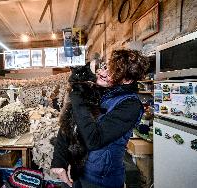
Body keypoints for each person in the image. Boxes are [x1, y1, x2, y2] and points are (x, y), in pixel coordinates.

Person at [51, 49, 149, 188]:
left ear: (126, 80)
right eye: (105, 67)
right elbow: (70, 122)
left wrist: (77, 98)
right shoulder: (101, 91)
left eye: (111, 73)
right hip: (78, 171)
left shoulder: (129, 105)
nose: (102, 73)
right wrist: (59, 160)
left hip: (101, 181)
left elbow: (94, 140)